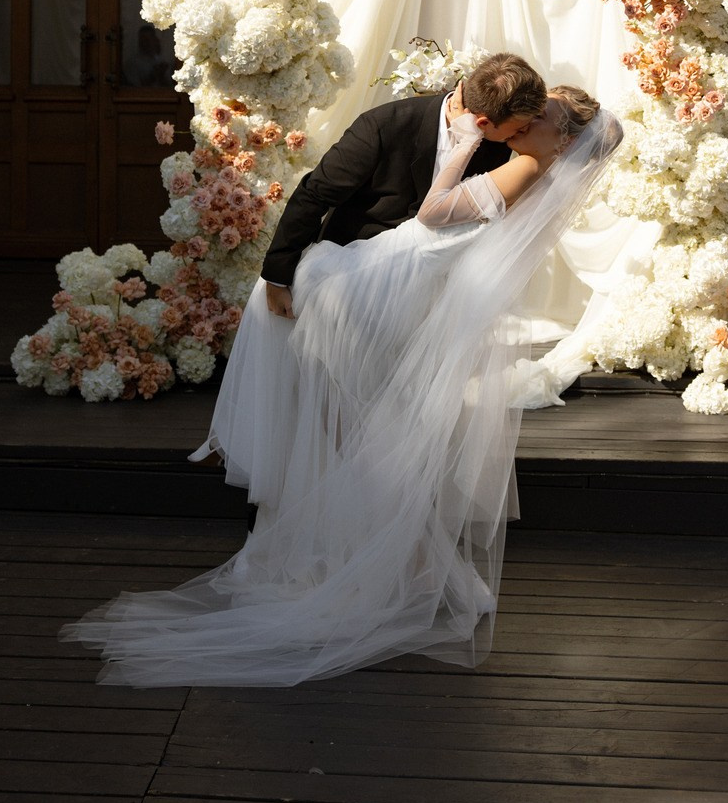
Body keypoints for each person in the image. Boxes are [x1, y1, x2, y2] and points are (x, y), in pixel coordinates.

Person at [63, 86, 621, 687]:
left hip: (379, 284)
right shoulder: (512, 158)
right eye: (533, 109)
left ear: (562, 140)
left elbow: (435, 215)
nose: (531, 118)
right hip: (385, 275)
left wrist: (459, 149)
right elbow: (336, 196)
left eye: (545, 116)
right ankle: (383, 555)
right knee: (351, 424)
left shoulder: (521, 165)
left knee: (349, 424)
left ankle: (363, 559)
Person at [261, 51, 548, 319]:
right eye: (520, 128)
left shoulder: (499, 143)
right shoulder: (383, 126)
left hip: (432, 292)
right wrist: (277, 278)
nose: (523, 133)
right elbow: (314, 194)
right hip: (352, 278)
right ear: (484, 122)